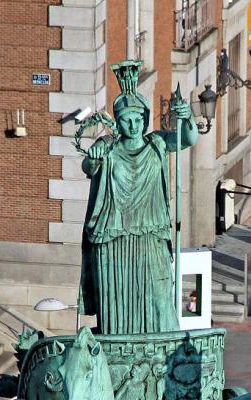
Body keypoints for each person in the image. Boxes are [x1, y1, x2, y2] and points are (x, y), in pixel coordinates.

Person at [80, 60, 196, 335]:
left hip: (150, 235)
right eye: (126, 120)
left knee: (158, 298)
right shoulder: (106, 147)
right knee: (117, 300)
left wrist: (187, 117)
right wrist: (93, 158)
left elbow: (187, 139)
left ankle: (162, 348)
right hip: (112, 240)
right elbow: (88, 166)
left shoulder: (157, 143)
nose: (133, 125)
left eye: (138, 119)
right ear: (118, 123)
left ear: (145, 120)